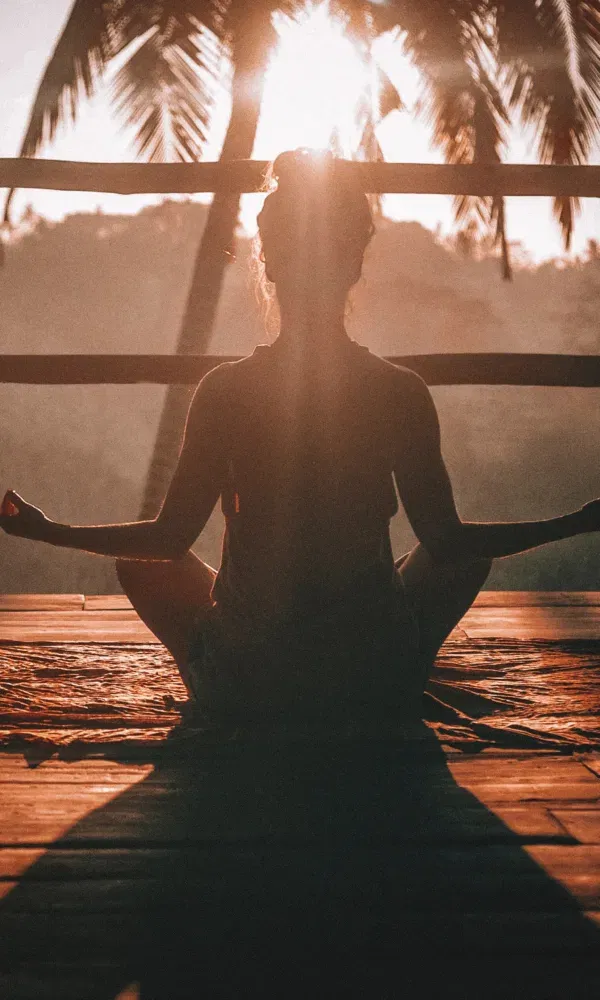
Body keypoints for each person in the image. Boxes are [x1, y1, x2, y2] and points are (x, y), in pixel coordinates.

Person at [2, 147, 600, 734]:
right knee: (464, 558)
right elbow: (446, 542)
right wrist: (575, 521)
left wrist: (48, 529)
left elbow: (168, 539)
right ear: (355, 263)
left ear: (268, 260)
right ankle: (400, 668)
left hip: (249, 685)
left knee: (142, 569)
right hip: (372, 679)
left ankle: (224, 674)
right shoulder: (399, 391)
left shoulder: (225, 390)